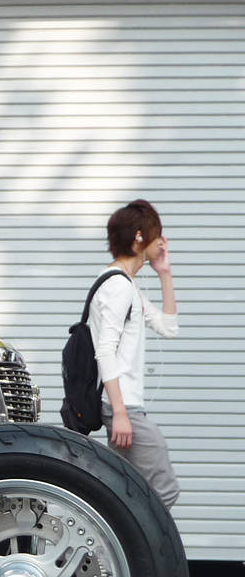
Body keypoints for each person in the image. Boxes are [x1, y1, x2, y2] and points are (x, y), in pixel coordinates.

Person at [90, 198, 180, 508]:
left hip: (125, 406)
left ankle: (115, 552)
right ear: (140, 237)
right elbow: (104, 351)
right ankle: (146, 555)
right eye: (158, 234)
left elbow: (168, 327)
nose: (162, 242)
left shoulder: (128, 285)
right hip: (122, 405)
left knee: (123, 494)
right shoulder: (118, 287)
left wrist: (163, 273)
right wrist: (120, 413)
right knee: (164, 491)